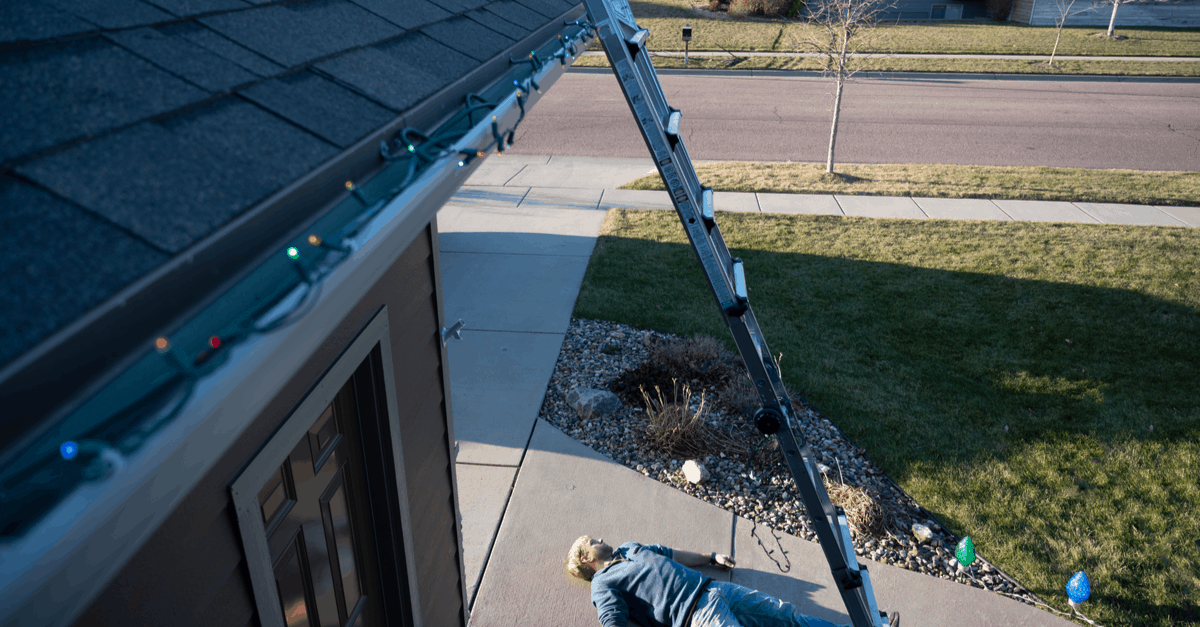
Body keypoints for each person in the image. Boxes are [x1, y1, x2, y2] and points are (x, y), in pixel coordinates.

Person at [564, 536, 897, 627]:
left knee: (787, 616)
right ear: (586, 559)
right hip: (695, 616)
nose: (601, 537)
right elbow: (612, 621)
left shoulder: (630, 548)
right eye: (593, 540)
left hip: (714, 590)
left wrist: (710, 558)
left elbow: (672, 554)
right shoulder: (602, 584)